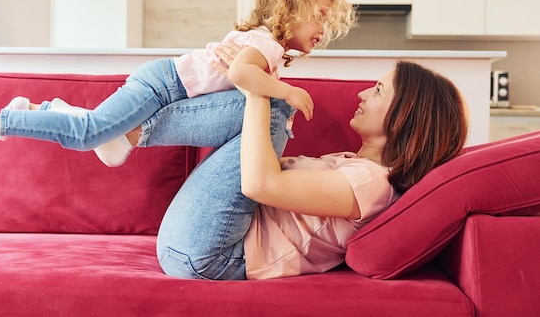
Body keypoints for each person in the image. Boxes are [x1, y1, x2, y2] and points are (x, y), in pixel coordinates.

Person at [0, 0, 356, 166]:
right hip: (162, 85)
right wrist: (289, 93)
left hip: (167, 87)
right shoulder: (264, 42)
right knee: (90, 135)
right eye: (318, 16)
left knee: (112, 147)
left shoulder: (270, 49)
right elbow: (243, 76)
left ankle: (39, 112)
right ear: (290, 9)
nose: (323, 29)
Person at [148, 56, 468, 280]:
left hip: (211, 255)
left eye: (379, 90)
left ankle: (134, 129)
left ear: (405, 118)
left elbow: (259, 185)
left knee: (271, 105)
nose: (363, 93)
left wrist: (259, 90)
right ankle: (134, 128)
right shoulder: (353, 165)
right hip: (196, 244)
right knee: (269, 102)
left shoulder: (372, 185)